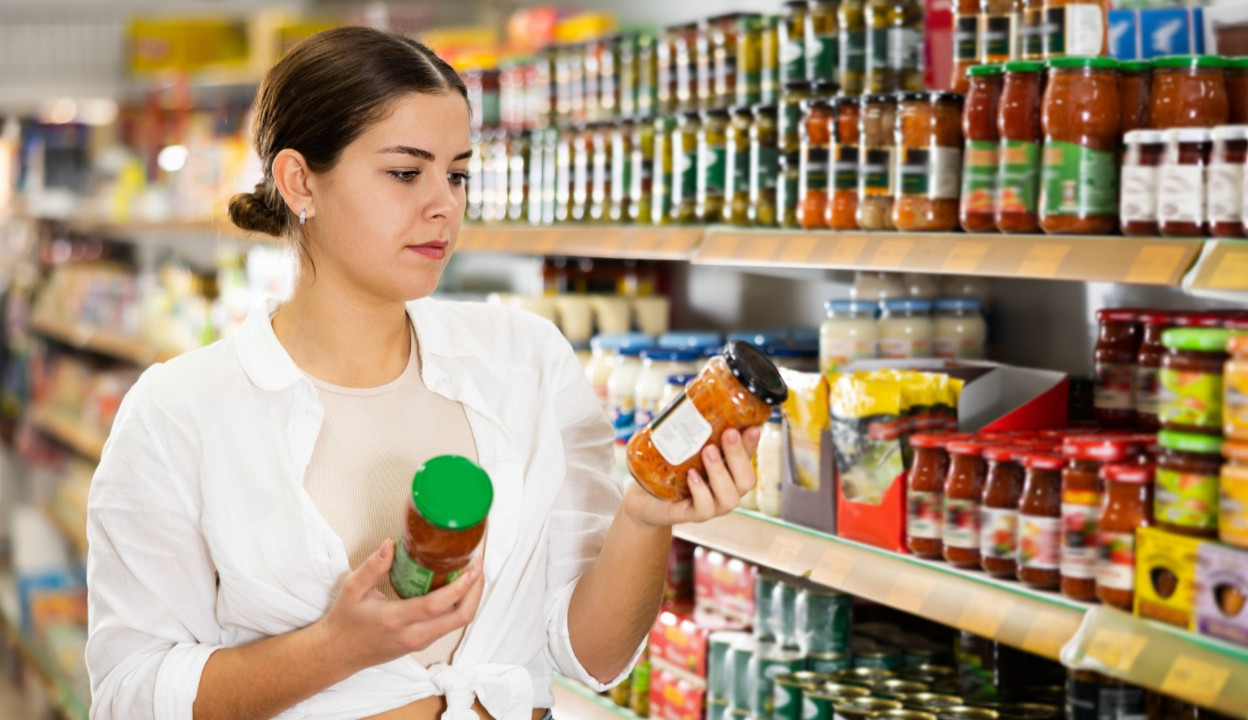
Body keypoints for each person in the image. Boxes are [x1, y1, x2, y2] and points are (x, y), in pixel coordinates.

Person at [85, 26, 762, 720]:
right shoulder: (181, 411)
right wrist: (334, 648)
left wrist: (646, 518)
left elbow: (592, 655)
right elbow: (129, 695)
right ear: (299, 182)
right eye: (406, 173)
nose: (444, 204)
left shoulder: (523, 360)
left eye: (458, 173)